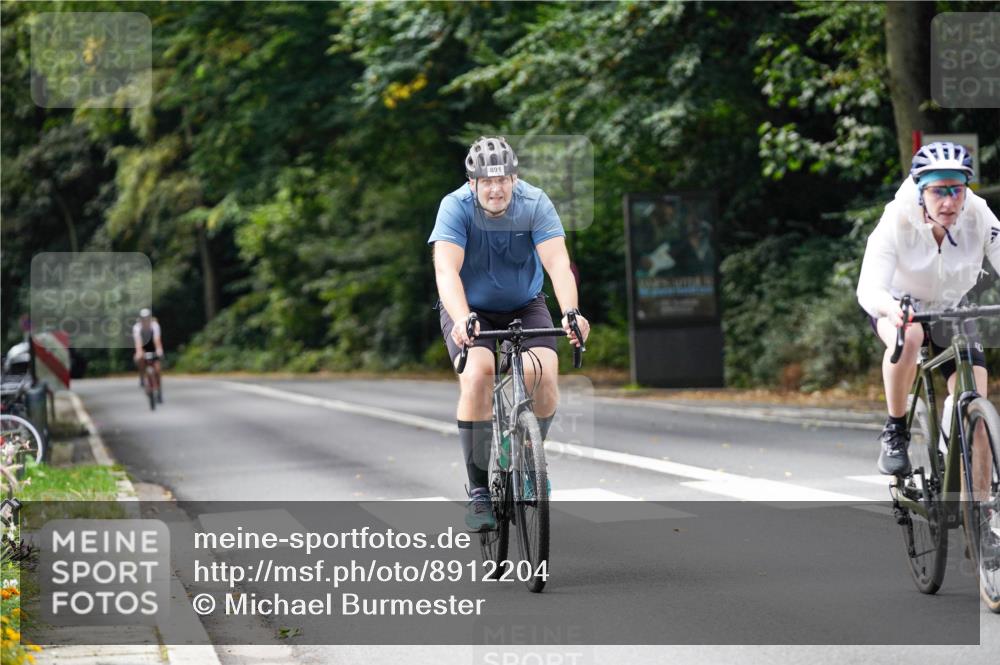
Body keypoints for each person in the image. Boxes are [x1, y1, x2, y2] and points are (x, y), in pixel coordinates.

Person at [429, 136, 590, 531]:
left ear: (514, 179)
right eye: (486, 181)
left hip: (525, 302)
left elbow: (557, 263)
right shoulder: (455, 208)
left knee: (545, 378)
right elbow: (446, 270)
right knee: (479, 375)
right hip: (470, 308)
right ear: (473, 183)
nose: (496, 188)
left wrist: (571, 312)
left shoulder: (535, 203)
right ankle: (480, 492)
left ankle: (527, 452)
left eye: (503, 179)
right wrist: (463, 317)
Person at [857, 142, 999, 486]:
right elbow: (869, 288)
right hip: (899, 303)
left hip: (950, 306)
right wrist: (891, 310)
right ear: (921, 192)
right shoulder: (896, 218)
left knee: (978, 411)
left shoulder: (979, 215)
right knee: (911, 338)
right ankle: (895, 428)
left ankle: (981, 523)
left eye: (957, 190)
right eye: (938, 191)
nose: (949, 202)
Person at [133, 308, 164, 402]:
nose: (145, 320)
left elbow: (157, 340)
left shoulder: (155, 326)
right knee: (139, 359)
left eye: (147, 318)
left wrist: (159, 350)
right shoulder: (137, 327)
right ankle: (142, 377)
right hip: (143, 348)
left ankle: (159, 391)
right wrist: (139, 352)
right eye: (143, 318)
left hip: (153, 347)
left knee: (157, 370)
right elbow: (138, 341)